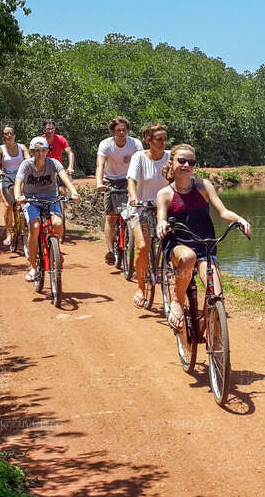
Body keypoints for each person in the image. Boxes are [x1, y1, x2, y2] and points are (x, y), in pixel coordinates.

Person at [155, 144, 251, 338]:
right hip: (177, 244)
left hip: (204, 244)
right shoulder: (164, 193)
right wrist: (161, 225)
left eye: (191, 162)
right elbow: (161, 218)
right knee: (188, 257)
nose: (186, 165)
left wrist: (239, 219)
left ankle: (213, 338)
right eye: (182, 160)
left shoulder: (203, 186)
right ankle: (178, 302)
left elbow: (223, 212)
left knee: (217, 295)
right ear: (172, 162)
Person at [15, 136, 80, 282]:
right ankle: (33, 266)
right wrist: (19, 196)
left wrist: (73, 192)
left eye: (43, 150)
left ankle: (55, 250)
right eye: (37, 151)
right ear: (32, 151)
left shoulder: (53, 163)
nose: (40, 154)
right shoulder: (26, 165)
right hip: (31, 199)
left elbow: (64, 176)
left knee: (57, 224)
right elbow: (18, 182)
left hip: (51, 197)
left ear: (47, 151)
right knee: (35, 226)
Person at [126, 123, 170, 308]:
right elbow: (131, 180)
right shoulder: (139, 157)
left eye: (165, 139)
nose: (163, 143)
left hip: (164, 208)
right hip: (141, 208)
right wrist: (134, 197)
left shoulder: (170, 157)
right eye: (159, 139)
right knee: (143, 246)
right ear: (148, 140)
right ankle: (141, 288)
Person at [96, 117, 143, 266]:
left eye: (124, 130)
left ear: (128, 130)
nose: (121, 133)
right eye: (118, 130)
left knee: (135, 213)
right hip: (110, 181)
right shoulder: (106, 144)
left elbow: (143, 162)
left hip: (130, 180)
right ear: (112, 132)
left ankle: (132, 241)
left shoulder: (135, 143)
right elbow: (100, 164)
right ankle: (110, 250)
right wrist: (99, 182)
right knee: (111, 216)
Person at [0, 124, 29, 249]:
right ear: (3, 136)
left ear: (15, 135)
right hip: (5, 178)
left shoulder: (22, 147)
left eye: (11, 133)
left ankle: (27, 227)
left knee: (26, 202)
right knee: (8, 205)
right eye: (6, 134)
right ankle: (9, 233)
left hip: (20, 178)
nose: (9, 136)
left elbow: (28, 160)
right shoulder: (0, 149)